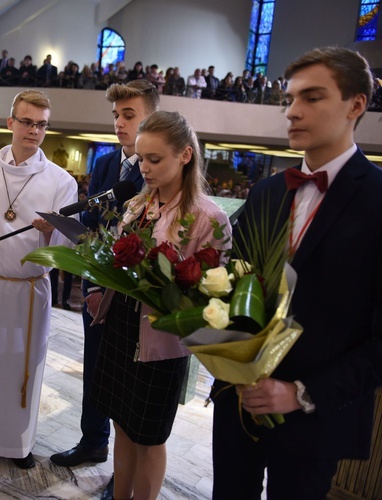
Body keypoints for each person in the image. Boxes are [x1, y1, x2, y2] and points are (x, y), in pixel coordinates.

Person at [212, 46, 382, 500]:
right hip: (237, 400)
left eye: (311, 97)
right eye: (289, 99)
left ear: (356, 104)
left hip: (314, 417)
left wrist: (300, 392)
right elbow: (234, 282)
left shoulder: (378, 201)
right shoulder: (268, 191)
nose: (292, 112)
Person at [91, 110, 231, 500]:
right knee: (121, 422)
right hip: (121, 326)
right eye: (141, 159)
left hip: (161, 341)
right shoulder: (137, 205)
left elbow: (211, 294)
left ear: (185, 155)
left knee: (149, 435)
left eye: (155, 160)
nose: (145, 169)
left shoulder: (207, 217)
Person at [0, 89, 77, 470]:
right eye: (26, 122)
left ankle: (17, 443)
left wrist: (48, 233)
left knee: (23, 364)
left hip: (29, 289)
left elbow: (68, 241)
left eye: (41, 124)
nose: (33, 130)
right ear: (10, 123)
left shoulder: (60, 181)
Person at [50, 80, 159, 498]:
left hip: (135, 294)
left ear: (151, 116)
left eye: (128, 115)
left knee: (128, 382)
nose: (118, 124)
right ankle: (93, 441)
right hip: (98, 285)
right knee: (95, 367)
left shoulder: (160, 169)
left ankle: (125, 471)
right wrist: (87, 277)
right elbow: (95, 225)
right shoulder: (106, 164)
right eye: (115, 115)